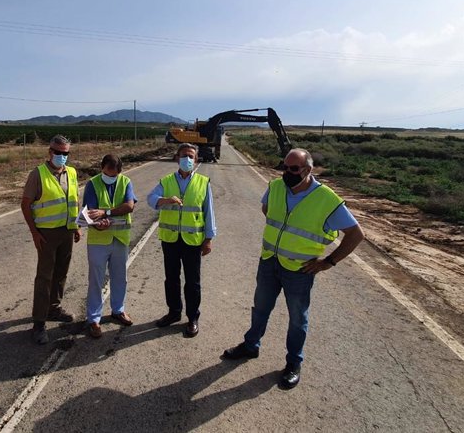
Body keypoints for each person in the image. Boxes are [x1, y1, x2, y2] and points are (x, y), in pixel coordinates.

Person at [222, 148, 364, 390]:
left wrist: (327, 262)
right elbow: (267, 209)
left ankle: (293, 364)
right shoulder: (276, 186)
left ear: (308, 170)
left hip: (299, 270)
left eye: (294, 169)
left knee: (298, 319)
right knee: (260, 309)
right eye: (285, 167)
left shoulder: (326, 199)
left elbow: (356, 234)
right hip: (269, 260)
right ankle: (250, 346)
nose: (287, 172)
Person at [147, 143, 216, 338]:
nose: (188, 159)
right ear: (177, 158)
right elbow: (151, 199)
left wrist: (208, 238)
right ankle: (174, 312)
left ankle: (192, 317)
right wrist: (166, 200)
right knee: (171, 278)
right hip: (170, 239)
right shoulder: (166, 180)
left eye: (191, 156)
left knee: (193, 282)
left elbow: (208, 212)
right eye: (184, 156)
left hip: (192, 240)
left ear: (196, 160)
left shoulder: (203, 182)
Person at [21, 135, 83, 345]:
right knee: (45, 277)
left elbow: (73, 200)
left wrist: (76, 226)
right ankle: (39, 323)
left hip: (66, 230)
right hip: (46, 233)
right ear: (50, 152)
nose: (62, 156)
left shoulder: (72, 172)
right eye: (58, 152)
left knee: (61, 273)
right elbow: (26, 204)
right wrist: (34, 232)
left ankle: (53, 309)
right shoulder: (37, 174)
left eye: (66, 153)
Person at [83, 154, 137, 338]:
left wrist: (105, 212)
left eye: (114, 175)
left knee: (120, 277)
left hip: (120, 239)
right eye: (108, 173)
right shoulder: (93, 184)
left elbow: (129, 206)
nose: (111, 177)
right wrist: (98, 224)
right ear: (102, 168)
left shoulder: (126, 182)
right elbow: (90, 212)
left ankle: (118, 310)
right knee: (96, 281)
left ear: (119, 172)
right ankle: (94, 319)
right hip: (98, 241)